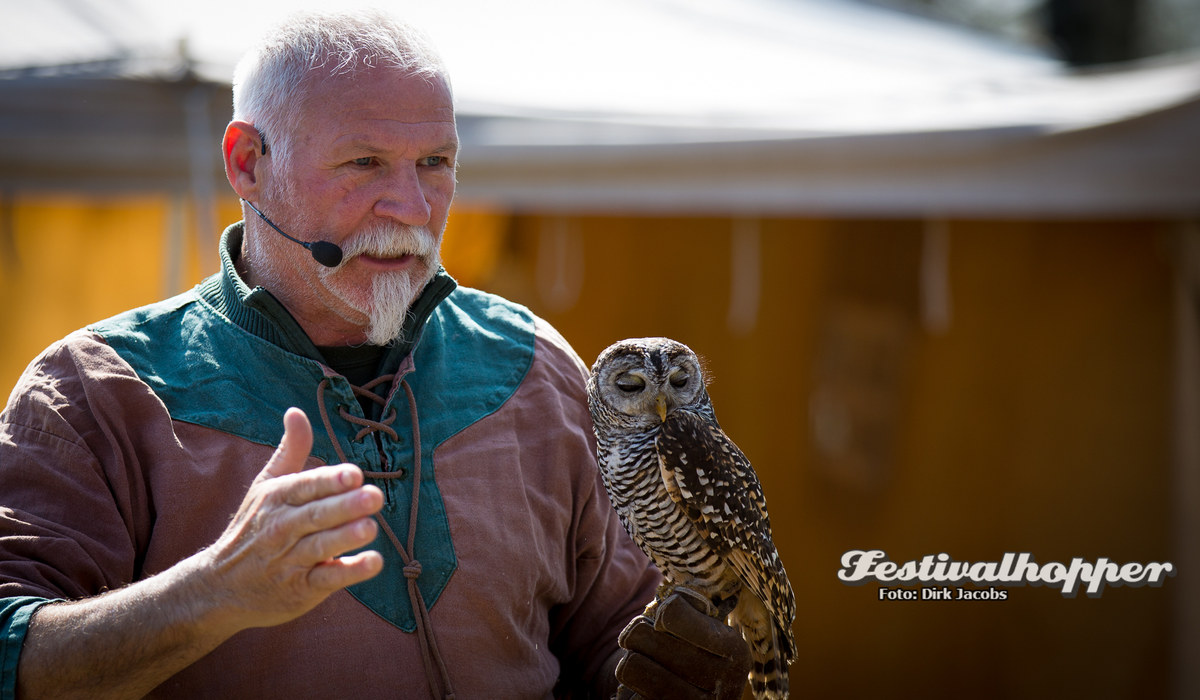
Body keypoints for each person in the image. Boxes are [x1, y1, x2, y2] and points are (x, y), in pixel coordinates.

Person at [0, 9, 751, 699]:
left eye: (435, 162)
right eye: (363, 163)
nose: (413, 208)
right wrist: (213, 591)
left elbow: (614, 645)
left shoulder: (538, 370)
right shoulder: (94, 392)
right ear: (247, 164)